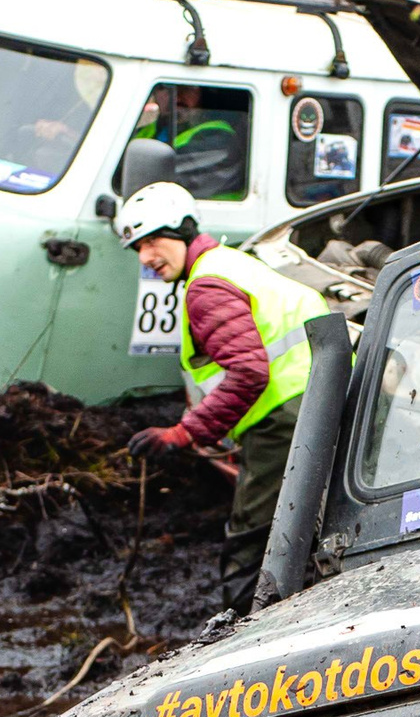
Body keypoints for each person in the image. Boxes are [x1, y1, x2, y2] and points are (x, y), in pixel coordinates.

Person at [115, 181, 327, 614]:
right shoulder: (229, 264)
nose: (145, 257)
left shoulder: (206, 286)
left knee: (252, 542)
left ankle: (244, 643)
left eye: (153, 240)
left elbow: (248, 371)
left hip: (285, 420)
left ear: (184, 230)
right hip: (316, 403)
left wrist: (183, 433)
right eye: (137, 246)